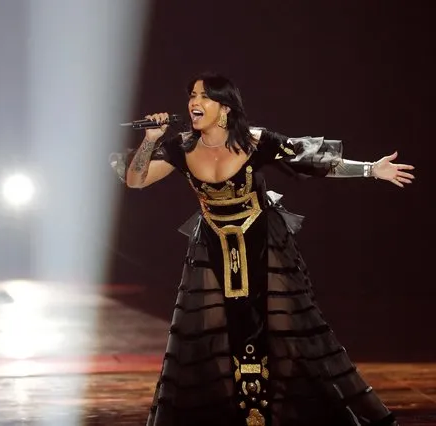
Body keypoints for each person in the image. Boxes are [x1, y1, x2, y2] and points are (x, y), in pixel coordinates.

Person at [110, 72, 414, 426]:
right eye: (192, 95)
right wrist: (150, 140)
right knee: (208, 333)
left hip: (265, 247)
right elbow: (135, 179)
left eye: (204, 97)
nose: (194, 102)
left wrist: (371, 170)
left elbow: (314, 160)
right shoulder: (181, 147)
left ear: (224, 107)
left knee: (286, 330)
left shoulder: (255, 142)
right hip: (212, 249)